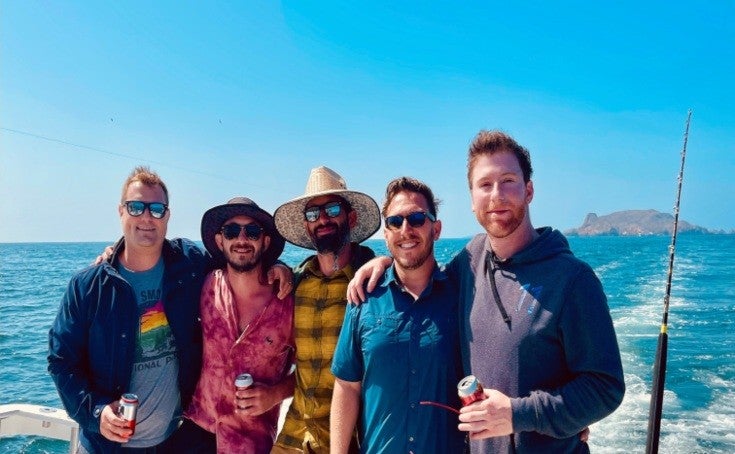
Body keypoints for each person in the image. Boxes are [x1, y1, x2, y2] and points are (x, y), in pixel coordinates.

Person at [349, 130, 625, 453]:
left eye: (508, 181)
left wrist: (517, 414)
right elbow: (422, 273)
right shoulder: (470, 261)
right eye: (485, 185)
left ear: (529, 190)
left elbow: (605, 387)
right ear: (472, 199)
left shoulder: (574, 280)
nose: (496, 195)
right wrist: (381, 262)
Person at [48, 166, 207, 453]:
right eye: (136, 207)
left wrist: (277, 267)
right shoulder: (87, 287)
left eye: (157, 209)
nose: (146, 217)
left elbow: (238, 261)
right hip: (104, 446)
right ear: (121, 212)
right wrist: (96, 412)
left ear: (167, 216)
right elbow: (62, 361)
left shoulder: (190, 265)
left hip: (173, 440)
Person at [330, 177, 465, 454]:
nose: (406, 230)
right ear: (386, 234)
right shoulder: (362, 298)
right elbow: (347, 387)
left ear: (436, 229)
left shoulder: (462, 296)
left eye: (417, 218)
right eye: (395, 222)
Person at [271, 166, 381, 454]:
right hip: (295, 432)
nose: (322, 219)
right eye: (312, 214)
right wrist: (278, 267)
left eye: (332, 209)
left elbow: (411, 273)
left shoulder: (374, 284)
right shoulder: (295, 283)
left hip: (348, 438)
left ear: (351, 217)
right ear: (307, 226)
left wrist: (387, 261)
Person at [180, 197, 295, 453]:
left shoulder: (289, 304)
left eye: (252, 231)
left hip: (250, 443)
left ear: (265, 242)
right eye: (232, 231)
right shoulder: (205, 284)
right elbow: (154, 259)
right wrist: (115, 254)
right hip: (194, 430)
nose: (242, 239)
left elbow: (315, 371)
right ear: (220, 241)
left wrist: (276, 393)